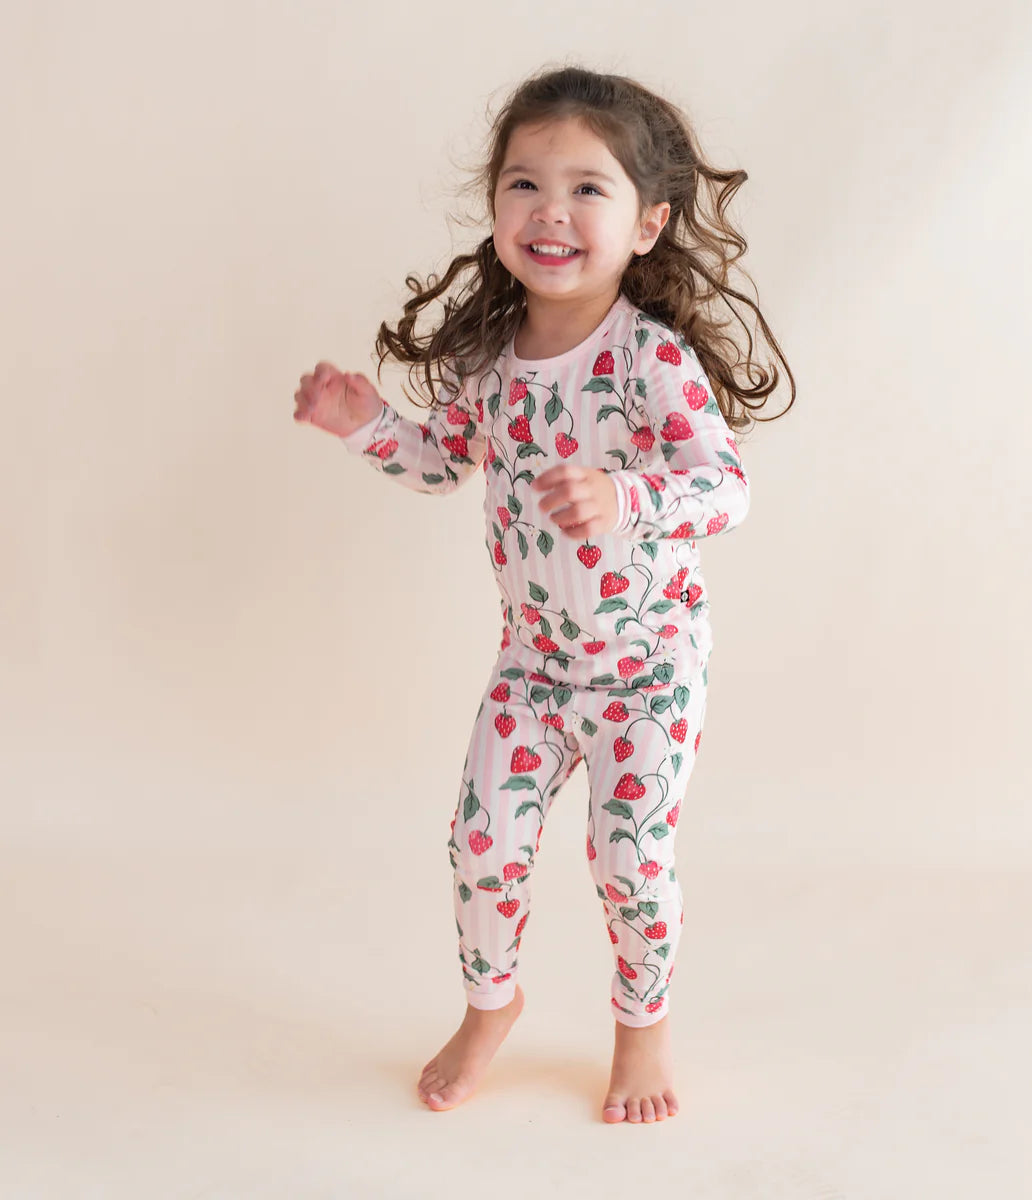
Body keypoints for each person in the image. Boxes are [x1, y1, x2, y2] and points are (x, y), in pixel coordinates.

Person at [293, 64, 795, 1124]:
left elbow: (727, 489)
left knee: (630, 859)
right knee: (480, 846)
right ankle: (492, 1006)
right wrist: (364, 425)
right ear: (494, 207)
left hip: (648, 670)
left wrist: (627, 495)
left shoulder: (651, 360)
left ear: (648, 224)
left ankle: (642, 1028)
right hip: (533, 667)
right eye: (524, 184)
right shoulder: (490, 362)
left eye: (587, 189)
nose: (550, 211)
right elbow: (440, 463)